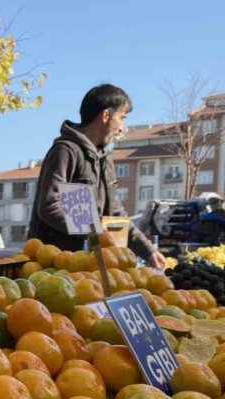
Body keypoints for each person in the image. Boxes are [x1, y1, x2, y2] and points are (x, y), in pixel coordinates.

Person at [29, 84, 165, 269]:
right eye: (121, 118)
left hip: (89, 268)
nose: (122, 128)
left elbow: (116, 215)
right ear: (106, 116)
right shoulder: (66, 152)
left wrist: (148, 251)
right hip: (55, 266)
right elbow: (49, 206)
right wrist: (94, 230)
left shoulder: (105, 159)